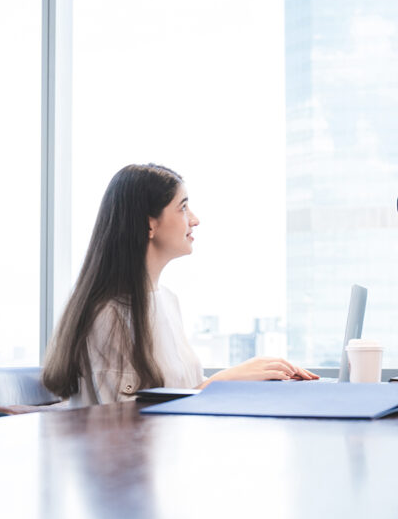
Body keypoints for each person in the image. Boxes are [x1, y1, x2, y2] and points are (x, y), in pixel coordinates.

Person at [43, 164, 316, 406]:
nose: (194, 219)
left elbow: (184, 392)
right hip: (127, 462)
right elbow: (123, 418)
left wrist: (254, 379)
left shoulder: (167, 300)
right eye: (183, 207)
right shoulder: (108, 314)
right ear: (149, 224)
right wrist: (226, 380)